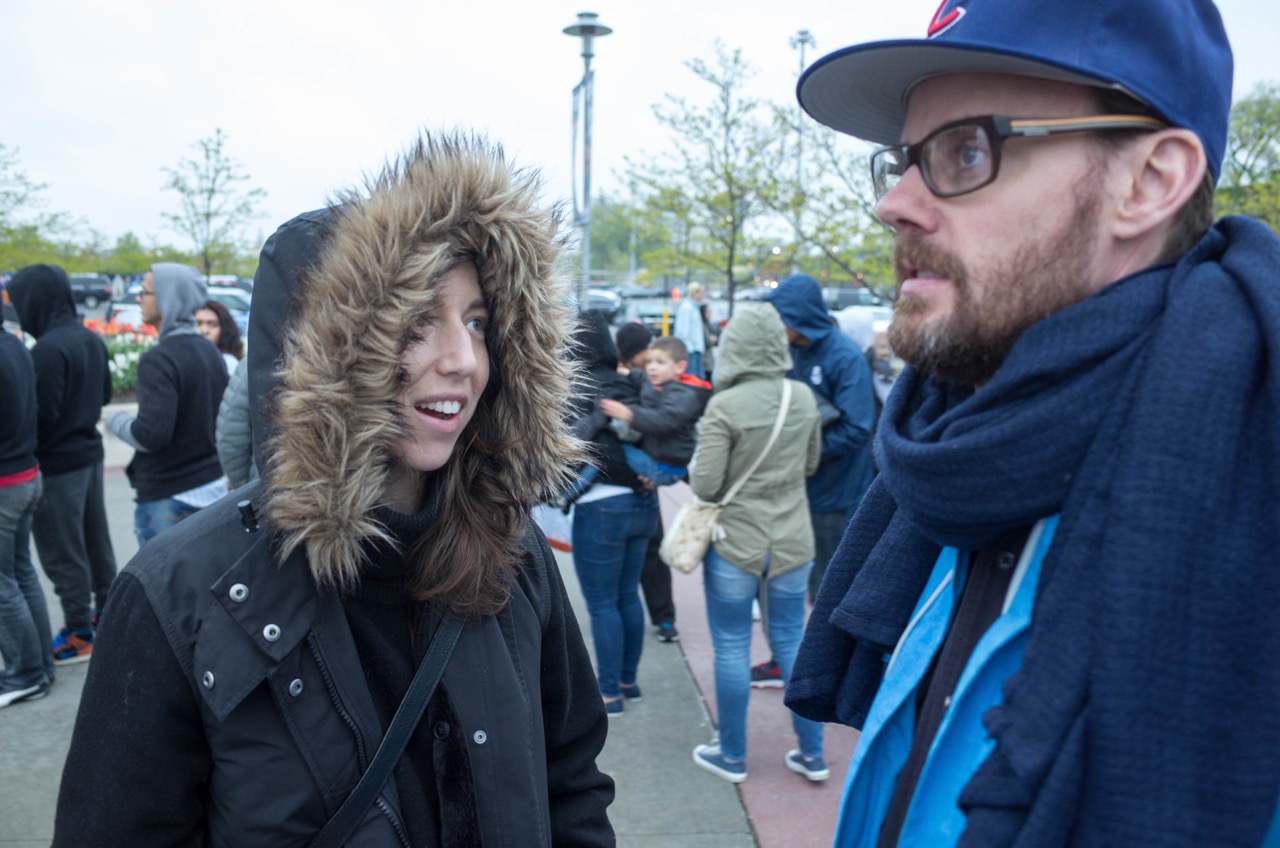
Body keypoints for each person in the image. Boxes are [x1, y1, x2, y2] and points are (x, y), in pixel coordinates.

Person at [785, 0, 1280, 844]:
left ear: (1151, 182)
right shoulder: (960, 454)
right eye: (902, 160)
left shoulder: (1249, 489)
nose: (894, 204)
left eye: (966, 149)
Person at [53, 134, 614, 845]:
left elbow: (571, 781)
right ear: (319, 351)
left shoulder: (513, 551)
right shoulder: (176, 597)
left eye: (477, 321)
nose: (464, 359)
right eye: (418, 320)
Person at [688, 304, 825, 784]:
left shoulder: (725, 405)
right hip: (792, 538)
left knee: (730, 646)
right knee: (791, 640)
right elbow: (810, 465)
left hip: (735, 541)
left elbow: (705, 485)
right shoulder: (802, 397)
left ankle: (732, 756)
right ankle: (813, 754)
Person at [749, 273, 875, 688]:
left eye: (779, 317)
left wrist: (800, 453)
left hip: (833, 495)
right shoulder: (788, 351)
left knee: (827, 586)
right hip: (792, 492)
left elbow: (858, 428)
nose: (774, 325)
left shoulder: (844, 357)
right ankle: (783, 658)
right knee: (780, 581)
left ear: (798, 317)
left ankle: (831, 672)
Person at [7, 264, 118, 665]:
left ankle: (78, 631)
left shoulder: (48, 350)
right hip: (90, 454)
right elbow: (105, 394)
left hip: (57, 465)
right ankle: (107, 614)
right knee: (95, 542)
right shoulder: (89, 338)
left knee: (62, 550)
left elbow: (42, 416)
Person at [567, 310, 660, 718]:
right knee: (627, 596)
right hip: (642, 503)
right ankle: (628, 680)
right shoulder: (628, 384)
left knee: (603, 602)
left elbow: (564, 444)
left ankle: (608, 693)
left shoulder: (574, 387)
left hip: (599, 505)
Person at [105, 264, 229, 546]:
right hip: (210, 487)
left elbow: (151, 435)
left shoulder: (159, 360)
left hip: (169, 496)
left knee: (160, 589)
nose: (138, 299)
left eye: (144, 292)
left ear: (166, 298)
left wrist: (117, 421)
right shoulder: (209, 351)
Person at [0, 326, 54, 707]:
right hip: (25, 474)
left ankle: (25, 673)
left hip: (6, 480)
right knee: (20, 572)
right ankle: (40, 666)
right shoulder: (13, 345)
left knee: (4, 582)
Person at [615, 321, 679, 643]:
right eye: (647, 349)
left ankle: (664, 619)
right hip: (632, 485)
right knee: (644, 558)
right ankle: (659, 620)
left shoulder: (651, 380)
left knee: (651, 555)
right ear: (634, 353)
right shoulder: (632, 382)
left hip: (643, 483)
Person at [194, 298, 244, 375]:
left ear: (224, 330)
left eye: (212, 325)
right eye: (198, 324)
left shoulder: (229, 364)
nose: (204, 331)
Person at [672, 281, 707, 380]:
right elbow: (682, 330)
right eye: (701, 292)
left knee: (697, 379)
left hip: (695, 348)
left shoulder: (693, 306)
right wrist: (688, 348)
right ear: (694, 293)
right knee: (692, 379)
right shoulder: (687, 308)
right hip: (690, 349)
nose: (703, 295)